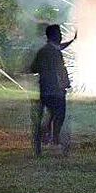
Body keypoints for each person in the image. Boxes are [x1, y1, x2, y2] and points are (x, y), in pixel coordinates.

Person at [28, 23, 74, 155]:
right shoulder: (56, 52)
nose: (61, 36)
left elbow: (33, 68)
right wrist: (66, 84)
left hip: (44, 90)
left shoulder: (42, 51)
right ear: (55, 36)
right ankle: (55, 139)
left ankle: (44, 136)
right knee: (59, 115)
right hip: (56, 91)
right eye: (59, 34)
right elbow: (62, 70)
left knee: (49, 114)